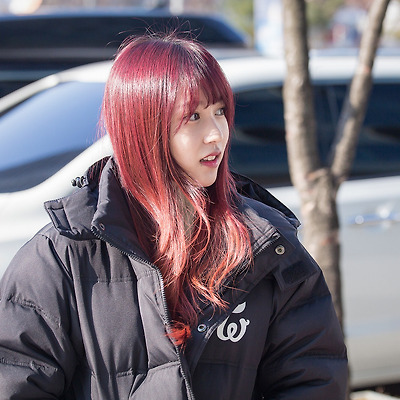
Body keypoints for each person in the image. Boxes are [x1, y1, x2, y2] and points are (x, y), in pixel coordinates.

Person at [0, 33, 347, 399]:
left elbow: (313, 380)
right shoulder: (61, 256)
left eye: (219, 112)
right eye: (193, 117)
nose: (216, 134)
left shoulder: (267, 246)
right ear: (142, 128)